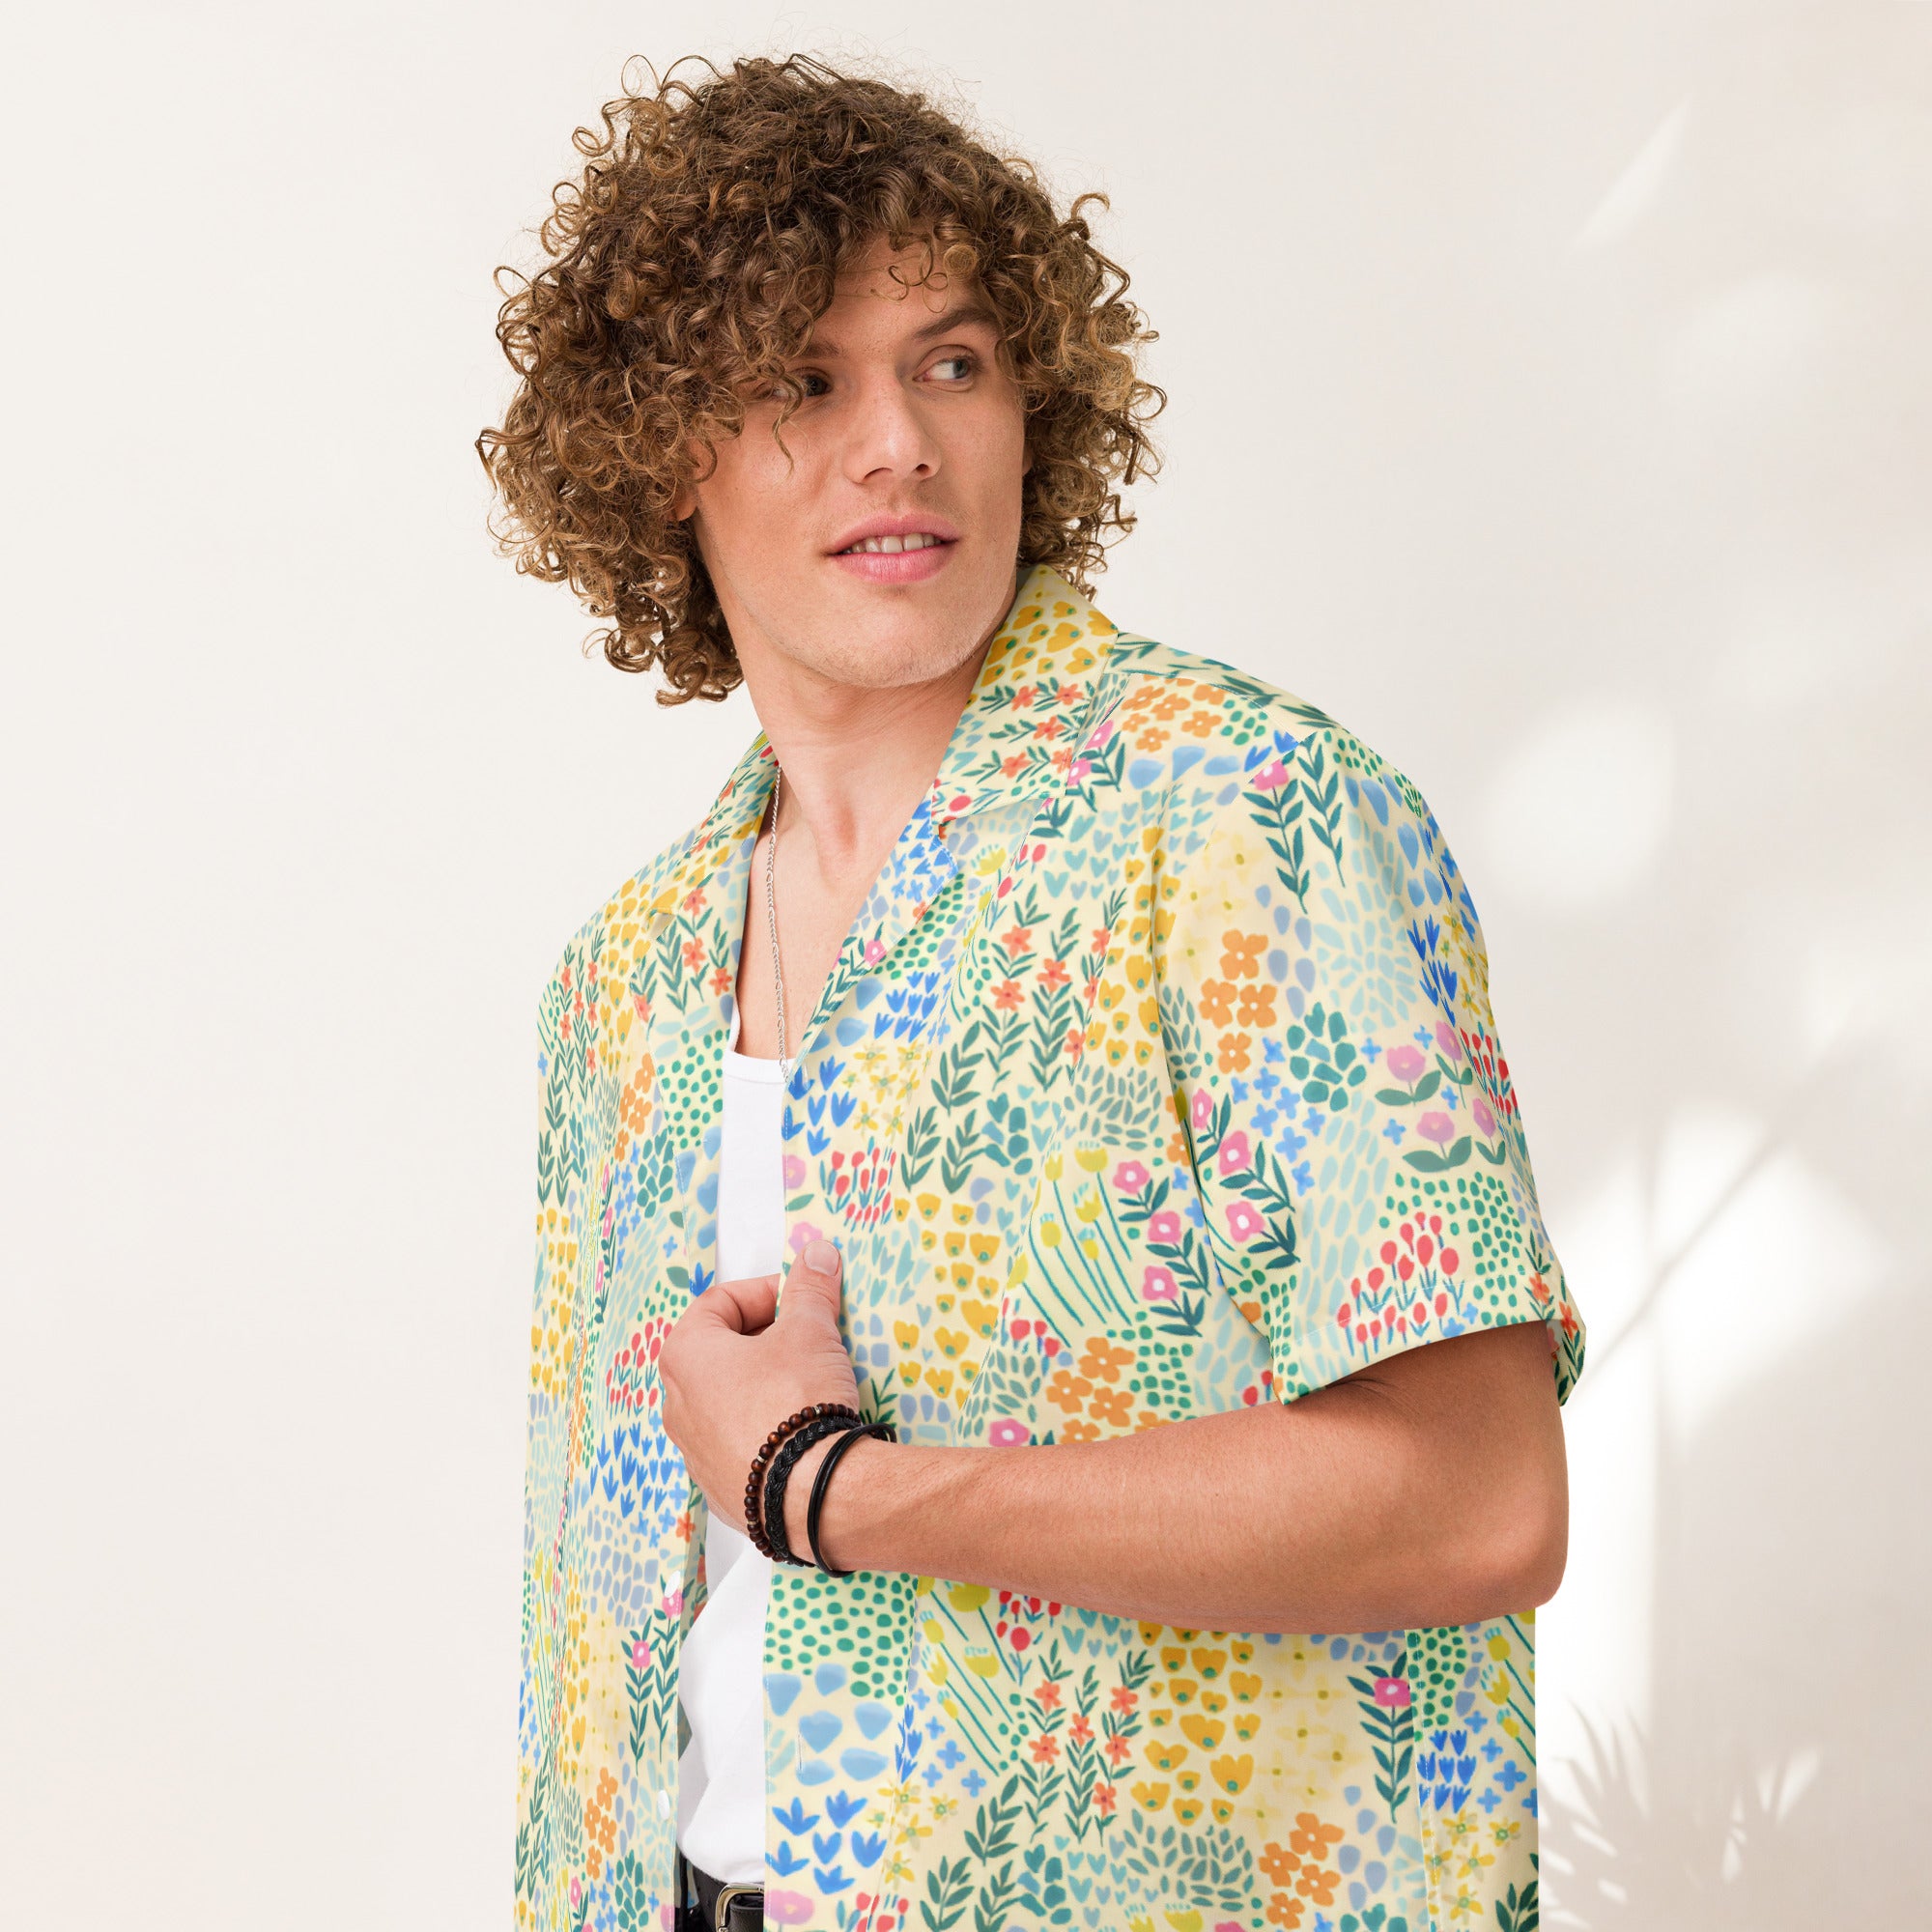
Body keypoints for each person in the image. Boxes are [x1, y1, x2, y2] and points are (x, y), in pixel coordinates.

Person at [481, 51, 1586, 1932]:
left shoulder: (1247, 823)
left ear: (1032, 411)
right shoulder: (620, 982)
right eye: (800, 380)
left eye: (951, 361)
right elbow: (607, 1658)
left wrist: (841, 1489)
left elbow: (1479, 1501)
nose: (896, 440)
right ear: (663, 449)